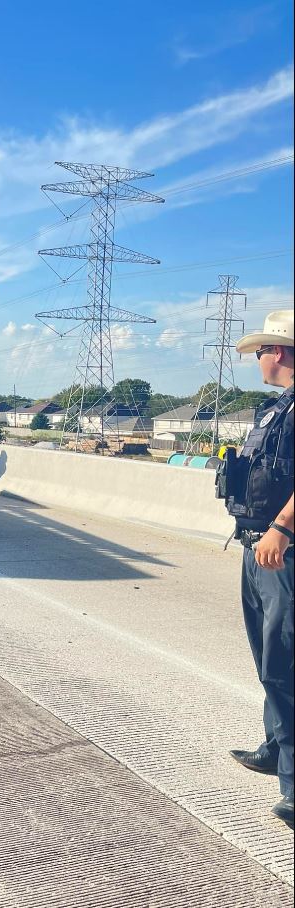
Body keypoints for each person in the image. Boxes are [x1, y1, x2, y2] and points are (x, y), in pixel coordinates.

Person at [219, 309, 294, 829]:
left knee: (286, 662)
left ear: (283, 352)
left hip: (282, 550)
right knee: (267, 655)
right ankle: (275, 747)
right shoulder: (276, 410)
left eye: (264, 351)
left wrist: (284, 528)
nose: (259, 360)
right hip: (255, 548)